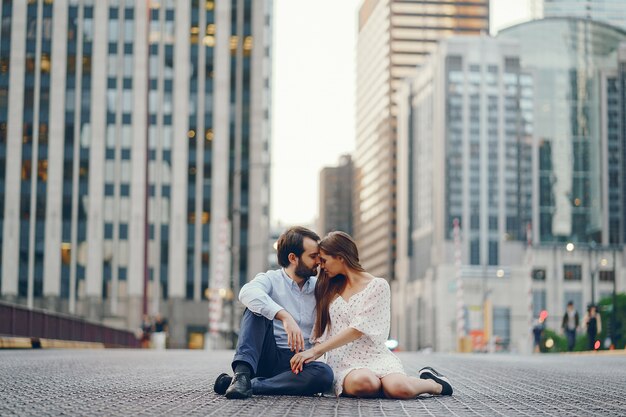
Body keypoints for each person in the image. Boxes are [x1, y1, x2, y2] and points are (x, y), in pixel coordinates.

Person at [290, 231, 452, 398]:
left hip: (374, 355)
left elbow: (357, 329)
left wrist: (314, 352)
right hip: (342, 361)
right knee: (365, 383)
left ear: (340, 257)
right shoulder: (326, 287)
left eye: (324, 260)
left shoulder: (378, 286)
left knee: (399, 388)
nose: (321, 266)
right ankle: (381, 387)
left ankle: (434, 384)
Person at [213, 226, 334, 399]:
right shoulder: (271, 279)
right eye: (313, 256)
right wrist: (283, 316)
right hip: (267, 355)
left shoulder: (319, 287)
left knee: (324, 374)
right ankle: (241, 375)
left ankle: (250, 384)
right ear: (293, 258)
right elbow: (246, 293)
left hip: (298, 363)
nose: (318, 262)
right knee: (255, 309)